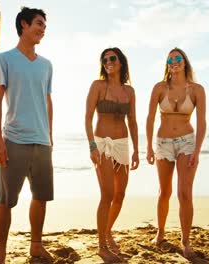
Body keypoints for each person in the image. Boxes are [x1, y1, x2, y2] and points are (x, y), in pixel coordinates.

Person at [0, 6, 53, 264]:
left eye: (45, 26)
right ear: (24, 25)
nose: (42, 29)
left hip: (42, 142)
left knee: (41, 197)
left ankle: (36, 247)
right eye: (39, 24)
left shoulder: (46, 65)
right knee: (6, 201)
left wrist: (50, 134)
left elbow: (48, 101)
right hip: (14, 140)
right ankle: (1, 253)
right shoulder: (3, 59)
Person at [145, 48, 206, 258]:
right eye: (170, 59)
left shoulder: (197, 89)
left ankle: (185, 241)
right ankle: (160, 232)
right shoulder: (160, 88)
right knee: (164, 192)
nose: (174, 61)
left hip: (187, 142)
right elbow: (150, 118)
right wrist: (149, 147)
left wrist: (197, 150)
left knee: (185, 193)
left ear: (185, 62)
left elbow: (202, 121)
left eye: (177, 58)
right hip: (163, 143)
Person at [85, 47, 139, 263]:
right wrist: (92, 146)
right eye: (105, 59)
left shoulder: (130, 91)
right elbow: (88, 116)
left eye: (112, 58)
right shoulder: (98, 86)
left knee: (120, 195)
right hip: (103, 145)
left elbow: (133, 121)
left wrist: (136, 150)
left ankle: (107, 231)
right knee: (107, 194)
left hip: (123, 144)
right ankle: (101, 245)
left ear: (121, 62)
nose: (108, 62)